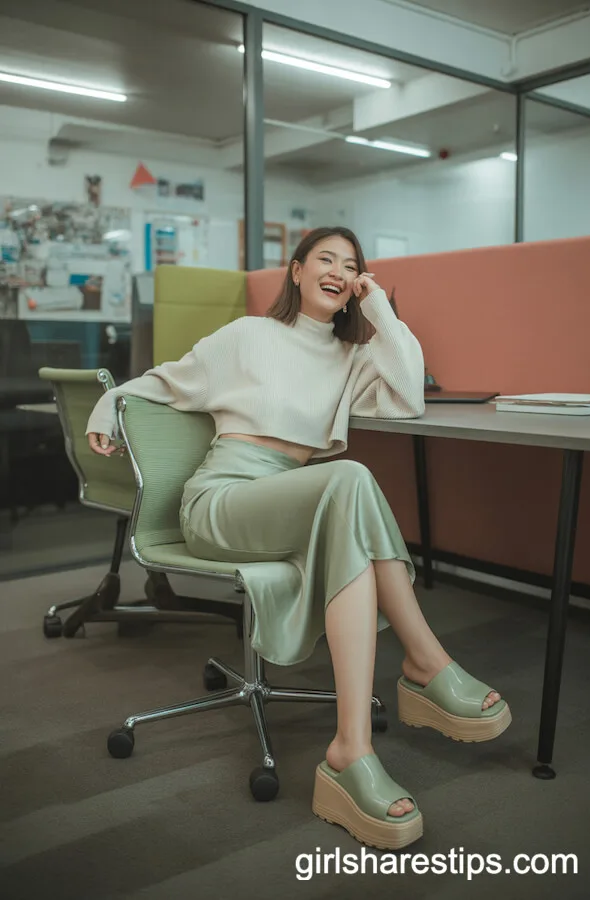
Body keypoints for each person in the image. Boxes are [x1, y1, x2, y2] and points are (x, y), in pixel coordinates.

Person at [86, 226, 511, 850]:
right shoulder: (246, 335)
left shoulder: (353, 357)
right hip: (222, 497)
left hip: (294, 496)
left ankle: (350, 751)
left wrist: (379, 307)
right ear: (296, 270)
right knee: (350, 480)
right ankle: (425, 665)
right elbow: (159, 382)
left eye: (352, 266)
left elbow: (410, 394)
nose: (338, 271)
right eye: (326, 260)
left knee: (347, 511)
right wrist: (104, 410)